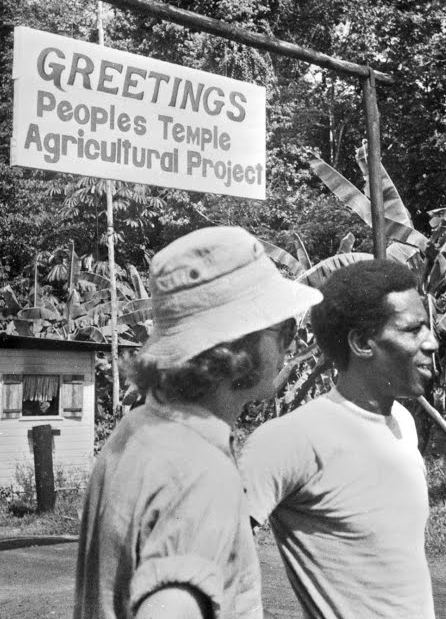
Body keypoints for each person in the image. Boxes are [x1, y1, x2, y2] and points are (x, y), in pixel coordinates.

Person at [73, 226, 323, 619]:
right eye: (286, 328)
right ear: (237, 345)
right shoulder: (200, 475)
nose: (290, 345)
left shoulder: (138, 429)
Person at [239, 259, 439, 619]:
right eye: (413, 330)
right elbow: (216, 556)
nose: (433, 342)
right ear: (362, 343)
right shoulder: (289, 440)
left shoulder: (403, 424)